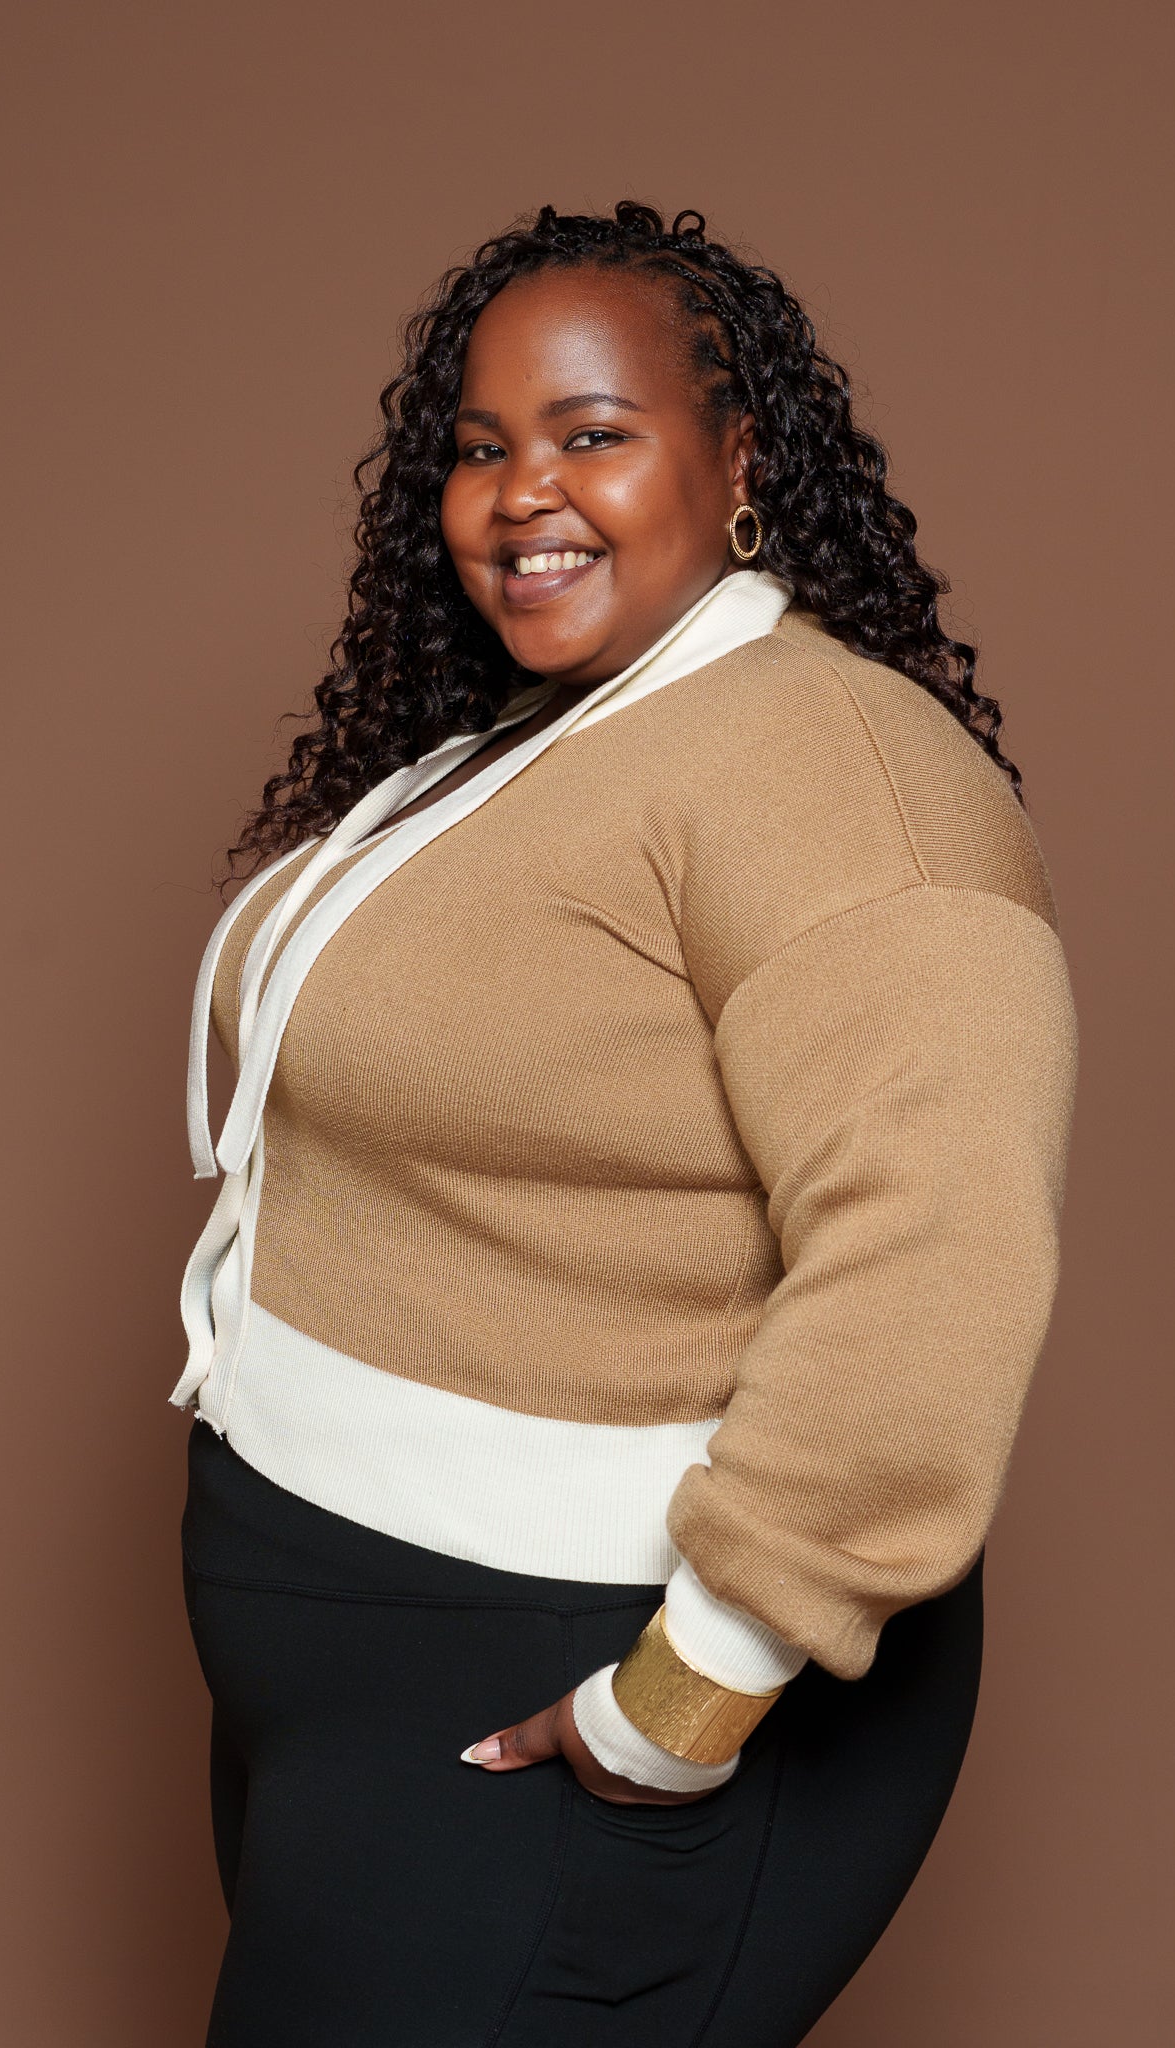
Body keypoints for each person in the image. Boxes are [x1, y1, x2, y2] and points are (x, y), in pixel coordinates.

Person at [172, 200, 1077, 2048]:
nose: (522, 493)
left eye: (591, 432)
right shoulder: (534, 743)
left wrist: (688, 1693)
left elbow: (937, 1253)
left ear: (740, 463)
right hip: (349, 1661)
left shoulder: (836, 770)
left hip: (573, 1673)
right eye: (478, 446)